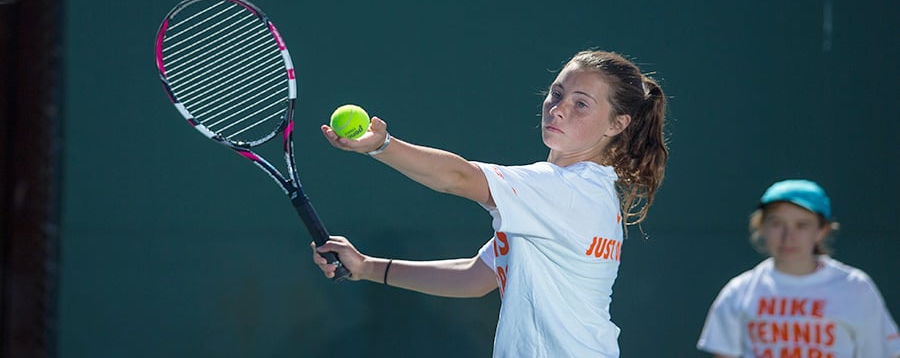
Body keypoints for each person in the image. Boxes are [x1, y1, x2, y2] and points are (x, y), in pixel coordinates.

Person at [311, 50, 669, 357]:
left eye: (581, 104)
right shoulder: (578, 194)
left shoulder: (568, 190)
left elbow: (457, 177)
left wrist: (381, 144)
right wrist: (366, 266)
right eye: (557, 93)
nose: (558, 109)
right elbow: (475, 277)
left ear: (616, 124)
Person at [697, 179, 900, 358]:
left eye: (801, 225)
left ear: (822, 230)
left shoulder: (856, 287)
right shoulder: (739, 291)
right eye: (777, 223)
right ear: (761, 227)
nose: (788, 236)